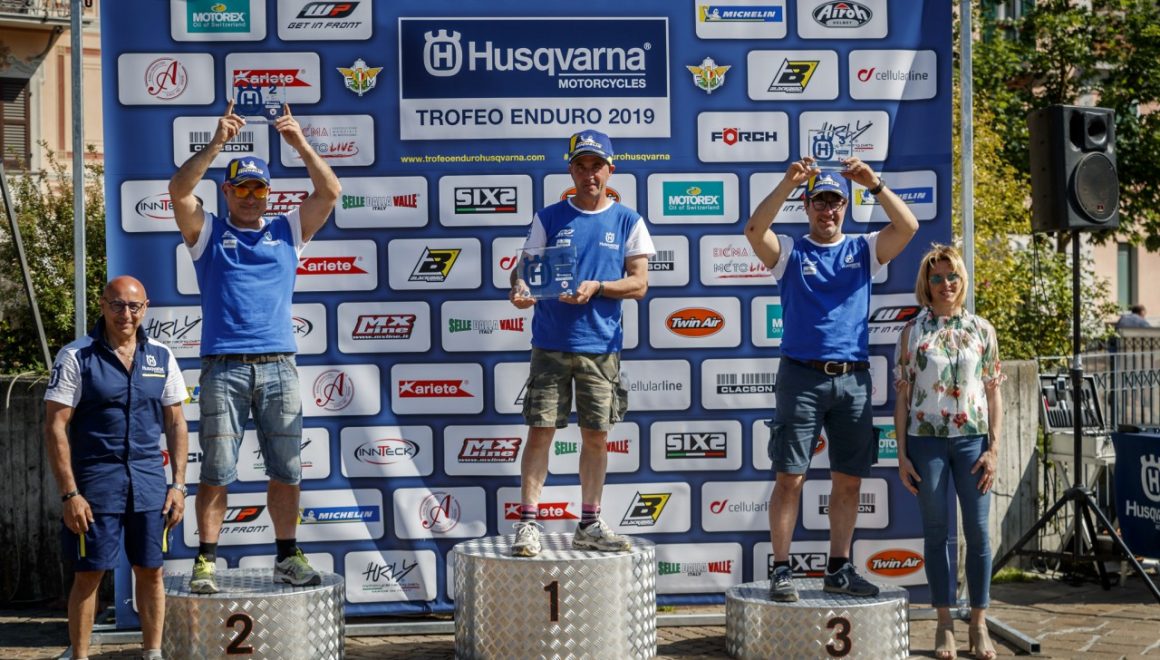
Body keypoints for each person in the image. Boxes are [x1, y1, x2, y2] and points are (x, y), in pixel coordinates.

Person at [168, 100, 341, 593]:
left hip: (279, 366)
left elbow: (330, 191)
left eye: (258, 188)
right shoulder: (208, 231)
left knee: (287, 469)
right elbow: (179, 191)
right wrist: (217, 143)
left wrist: (299, 142)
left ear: (269, 193)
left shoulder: (287, 230)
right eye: (241, 187)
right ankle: (206, 561)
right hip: (223, 367)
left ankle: (287, 556)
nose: (249, 196)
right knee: (217, 470)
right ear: (226, 191)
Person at [743, 155, 919, 601]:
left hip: (853, 380)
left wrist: (874, 183)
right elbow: (755, 231)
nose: (828, 211)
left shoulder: (863, 249)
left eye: (836, 203)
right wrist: (788, 183)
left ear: (846, 207)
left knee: (849, 480)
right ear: (807, 207)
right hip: (801, 377)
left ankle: (838, 568)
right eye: (820, 202)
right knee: (789, 478)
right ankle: (781, 569)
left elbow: (908, 227)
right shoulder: (790, 252)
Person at [507, 129, 654, 557]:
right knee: (540, 432)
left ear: (610, 169)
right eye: (581, 166)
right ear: (570, 170)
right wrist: (520, 289)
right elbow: (522, 272)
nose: (589, 174)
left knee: (595, 436)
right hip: (550, 342)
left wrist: (598, 287)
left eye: (597, 166)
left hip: (600, 346)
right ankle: (528, 523)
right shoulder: (549, 217)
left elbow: (640, 284)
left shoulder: (628, 220)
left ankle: (589, 523)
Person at [44, 276, 189, 660]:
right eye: (117, 305)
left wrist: (178, 485)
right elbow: (55, 426)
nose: (126, 314)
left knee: (152, 571)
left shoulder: (161, 356)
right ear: (103, 305)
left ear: (145, 308)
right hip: (95, 485)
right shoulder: (76, 356)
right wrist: (70, 494)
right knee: (89, 574)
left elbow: (176, 422)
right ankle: (80, 656)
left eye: (134, 306)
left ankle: (152, 653)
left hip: (149, 484)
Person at [894, 244, 1003, 660]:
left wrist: (994, 448)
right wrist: (902, 455)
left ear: (962, 280)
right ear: (927, 283)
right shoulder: (912, 333)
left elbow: (993, 394)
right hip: (926, 443)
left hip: (973, 442)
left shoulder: (982, 330)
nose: (945, 284)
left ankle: (978, 624)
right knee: (936, 533)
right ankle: (944, 624)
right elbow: (902, 399)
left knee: (978, 534)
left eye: (952, 276)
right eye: (937, 277)